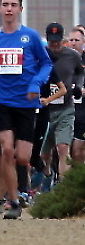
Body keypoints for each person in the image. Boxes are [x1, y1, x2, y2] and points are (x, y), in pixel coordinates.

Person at [0, 0, 52, 219]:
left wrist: (36, 83)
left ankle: (5, 194)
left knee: (22, 158)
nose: (9, 9)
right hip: (2, 102)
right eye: (5, 4)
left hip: (26, 103)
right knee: (6, 150)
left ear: (20, 9)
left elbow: (46, 64)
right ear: (0, 8)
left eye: (13, 5)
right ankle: (13, 201)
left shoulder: (31, 37)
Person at [39, 22, 83, 185]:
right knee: (43, 153)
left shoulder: (73, 56)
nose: (55, 45)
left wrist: (78, 86)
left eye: (57, 41)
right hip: (44, 110)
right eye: (52, 41)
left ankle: (64, 187)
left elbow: (80, 72)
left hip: (65, 108)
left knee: (63, 148)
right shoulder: (40, 55)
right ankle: (46, 176)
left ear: (62, 39)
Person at [68, 28, 85, 163]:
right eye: (71, 40)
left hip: (82, 111)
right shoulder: (62, 59)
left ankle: (79, 174)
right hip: (64, 109)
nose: (74, 43)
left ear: (83, 42)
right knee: (63, 149)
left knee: (77, 151)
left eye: (77, 40)